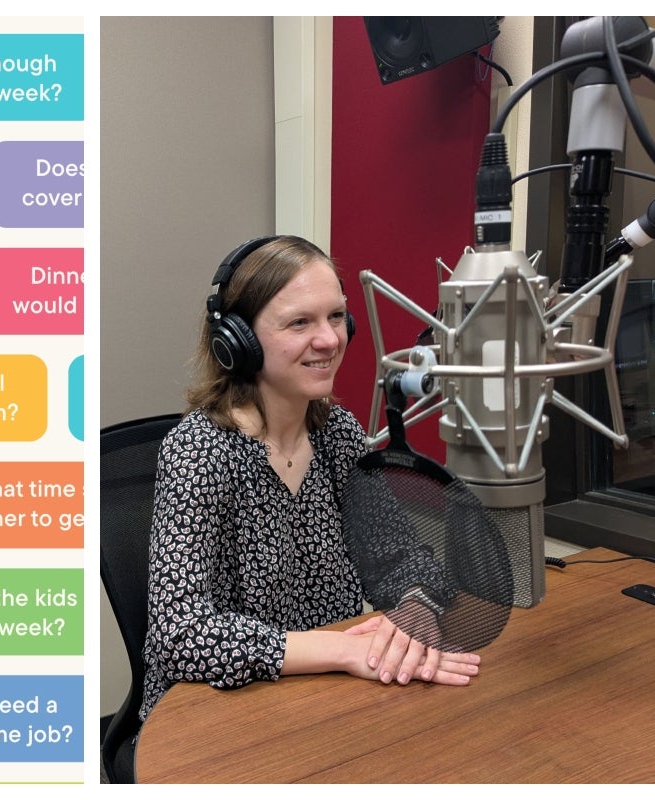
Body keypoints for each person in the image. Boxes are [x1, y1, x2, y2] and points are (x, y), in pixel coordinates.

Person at [140, 235, 481, 721]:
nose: (329, 339)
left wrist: (414, 614)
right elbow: (179, 633)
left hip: (328, 696)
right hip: (216, 711)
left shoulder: (338, 433)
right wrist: (342, 650)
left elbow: (402, 556)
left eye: (336, 316)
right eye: (300, 322)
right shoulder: (199, 451)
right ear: (239, 340)